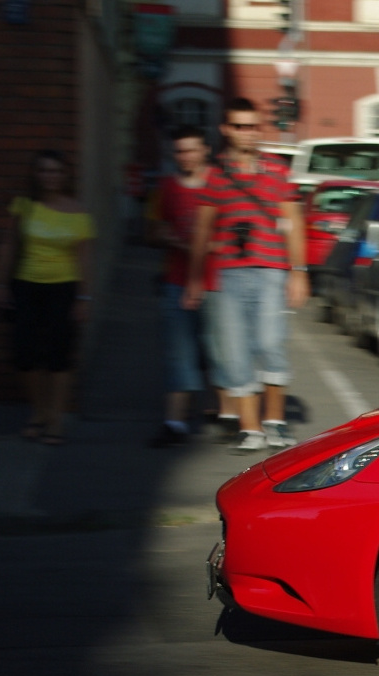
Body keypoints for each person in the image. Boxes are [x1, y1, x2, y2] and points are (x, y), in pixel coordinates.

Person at [186, 98, 308, 454]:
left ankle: (275, 421)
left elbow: (294, 224)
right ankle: (250, 429)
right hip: (227, 274)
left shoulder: (276, 170)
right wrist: (195, 278)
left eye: (253, 126)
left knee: (271, 344)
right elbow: (202, 228)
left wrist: (299, 272)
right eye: (239, 126)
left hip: (271, 270)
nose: (247, 133)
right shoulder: (216, 173)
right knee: (235, 354)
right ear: (226, 130)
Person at [0, 150, 96, 445]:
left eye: (56, 171)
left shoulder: (78, 213)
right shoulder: (24, 206)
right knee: (24, 353)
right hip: (25, 286)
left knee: (58, 354)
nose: (50, 177)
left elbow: (84, 259)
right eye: (44, 171)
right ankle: (38, 412)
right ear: (36, 175)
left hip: (63, 289)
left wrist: (84, 298)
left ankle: (55, 419)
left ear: (65, 176)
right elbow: (10, 245)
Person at [146, 126, 224, 447]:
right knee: (179, 353)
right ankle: (174, 422)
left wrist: (210, 245)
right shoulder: (165, 188)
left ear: (205, 150)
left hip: (216, 282)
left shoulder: (219, 185)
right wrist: (168, 238)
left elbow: (237, 232)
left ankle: (221, 412)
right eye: (180, 151)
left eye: (191, 150)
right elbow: (150, 232)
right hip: (176, 281)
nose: (186, 157)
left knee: (217, 351)